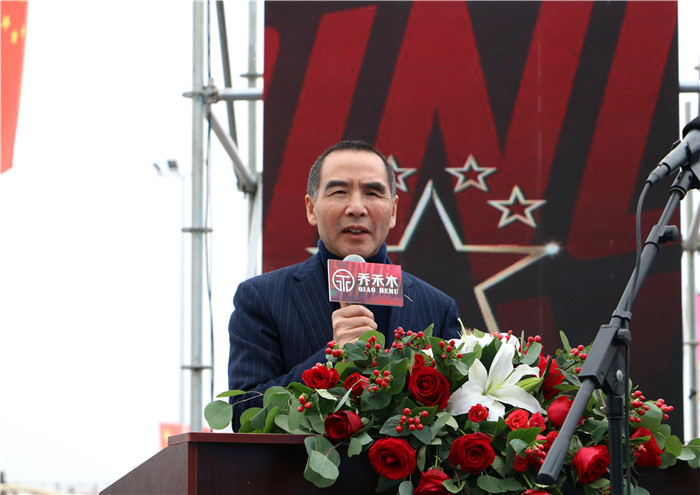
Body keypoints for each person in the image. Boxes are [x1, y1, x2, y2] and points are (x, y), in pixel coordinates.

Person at [227, 140, 461, 430]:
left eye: (372, 193)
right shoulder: (261, 298)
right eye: (339, 192)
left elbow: (456, 418)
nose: (356, 208)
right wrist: (331, 358)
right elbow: (244, 415)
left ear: (393, 211)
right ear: (311, 208)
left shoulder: (437, 307)